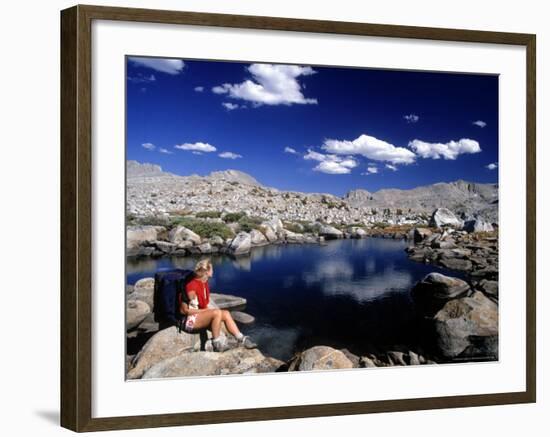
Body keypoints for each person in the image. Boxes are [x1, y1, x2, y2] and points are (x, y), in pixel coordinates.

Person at [179, 258, 257, 352]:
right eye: (212, 269)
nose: (213, 271)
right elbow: (184, 311)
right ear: (206, 272)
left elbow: (203, 304)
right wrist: (206, 311)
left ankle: (241, 339)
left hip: (198, 317)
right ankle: (216, 343)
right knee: (216, 313)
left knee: (226, 313)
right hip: (188, 321)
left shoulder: (204, 283)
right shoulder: (191, 286)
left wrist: (205, 311)